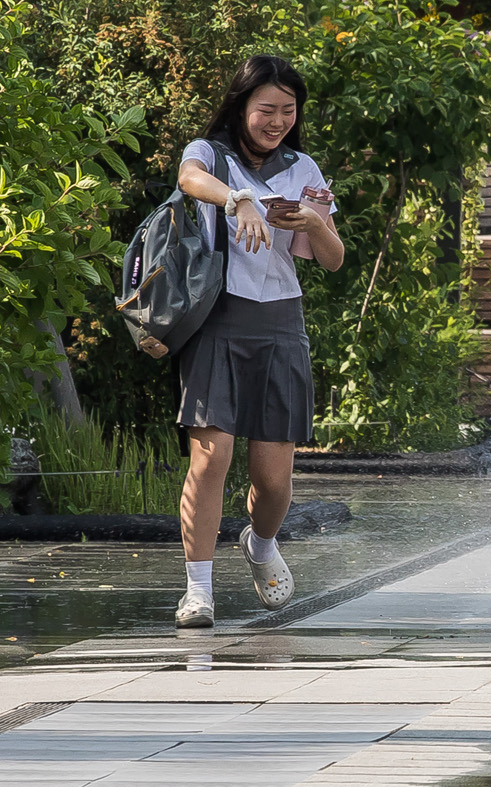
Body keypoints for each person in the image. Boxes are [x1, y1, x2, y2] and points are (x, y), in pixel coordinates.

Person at [171, 56, 345, 629]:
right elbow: (187, 179)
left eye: (287, 111)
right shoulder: (211, 153)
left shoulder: (303, 168)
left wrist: (316, 224)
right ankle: (198, 592)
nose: (276, 122)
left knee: (273, 480)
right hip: (217, 318)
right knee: (210, 457)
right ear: (242, 106)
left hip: (280, 324)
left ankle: (262, 544)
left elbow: (333, 259)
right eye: (266, 109)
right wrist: (237, 199)